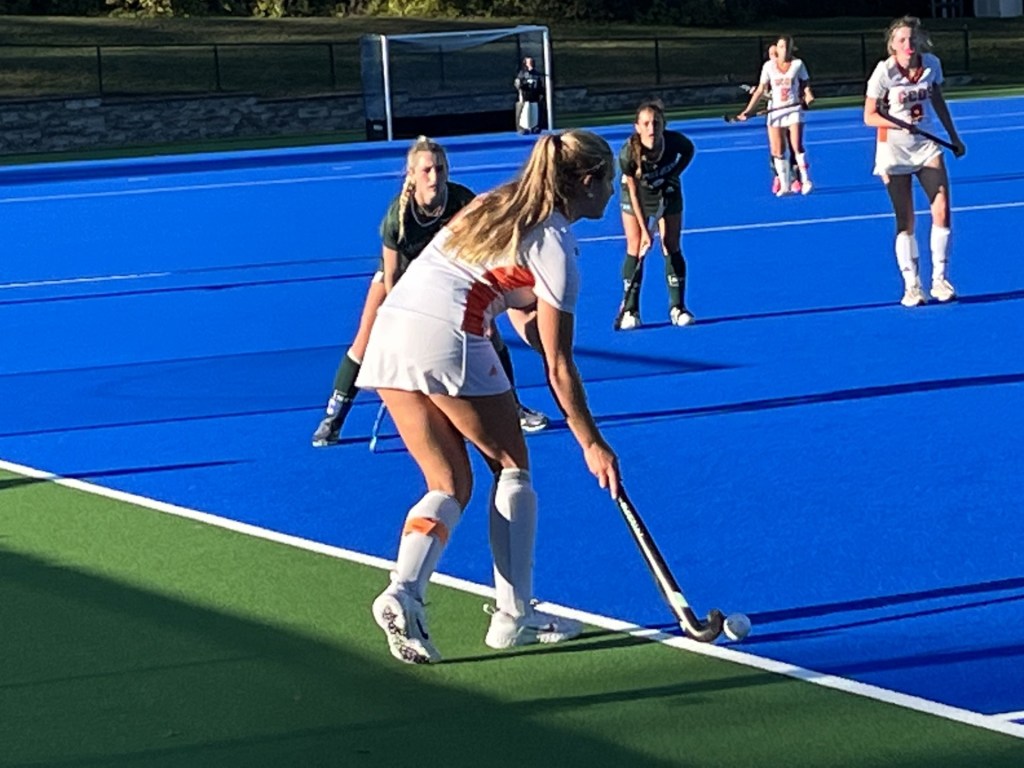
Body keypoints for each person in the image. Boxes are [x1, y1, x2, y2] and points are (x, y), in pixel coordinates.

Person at [355, 130, 621, 664]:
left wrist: (541, 329)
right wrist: (592, 442)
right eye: (609, 182)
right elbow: (557, 365)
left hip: (391, 331)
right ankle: (513, 616)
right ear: (587, 182)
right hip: (450, 335)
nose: (613, 193)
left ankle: (403, 593)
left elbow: (518, 309)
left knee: (449, 483)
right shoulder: (555, 244)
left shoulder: (497, 203)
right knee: (512, 467)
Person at [311, 136, 549, 447]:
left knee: (490, 333)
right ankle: (333, 419)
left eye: (439, 169)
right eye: (426, 170)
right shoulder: (398, 215)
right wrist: (398, 315)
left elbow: (483, 251)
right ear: (411, 174)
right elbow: (392, 273)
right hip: (401, 276)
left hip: (449, 276)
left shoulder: (462, 201)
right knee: (365, 341)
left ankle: (512, 408)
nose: (434, 177)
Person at [863, 15, 966, 307]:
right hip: (893, 150)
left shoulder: (931, 65)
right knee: (905, 218)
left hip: (926, 146)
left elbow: (937, 100)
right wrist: (898, 124)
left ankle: (940, 279)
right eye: (902, 40)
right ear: (893, 45)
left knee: (942, 209)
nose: (908, 44)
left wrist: (953, 137)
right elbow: (869, 116)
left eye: (911, 39)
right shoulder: (884, 72)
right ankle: (912, 285)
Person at [616, 100, 696, 330]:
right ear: (637, 127)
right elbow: (633, 193)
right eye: (646, 124)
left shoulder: (675, 142)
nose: (652, 129)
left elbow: (689, 151)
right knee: (635, 246)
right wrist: (645, 232)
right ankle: (630, 310)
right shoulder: (628, 155)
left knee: (671, 244)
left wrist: (674, 175)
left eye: (656, 123)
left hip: (668, 191)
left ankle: (678, 308)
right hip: (637, 196)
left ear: (664, 125)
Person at [737, 35, 815, 196]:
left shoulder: (798, 64)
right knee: (778, 150)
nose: (783, 50)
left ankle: (806, 180)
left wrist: (808, 95)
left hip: (793, 109)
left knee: (797, 145)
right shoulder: (768, 66)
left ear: (791, 48)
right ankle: (785, 185)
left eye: (786, 47)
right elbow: (760, 90)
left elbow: (805, 83)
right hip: (775, 111)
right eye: (781, 47)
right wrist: (748, 110)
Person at [514, 56, 544, 135]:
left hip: (534, 97)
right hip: (524, 97)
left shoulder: (537, 74)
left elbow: (540, 85)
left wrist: (540, 93)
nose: (531, 63)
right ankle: (522, 128)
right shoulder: (522, 74)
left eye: (531, 62)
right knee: (524, 111)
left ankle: (535, 127)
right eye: (529, 62)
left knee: (535, 111)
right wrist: (521, 86)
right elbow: (518, 84)